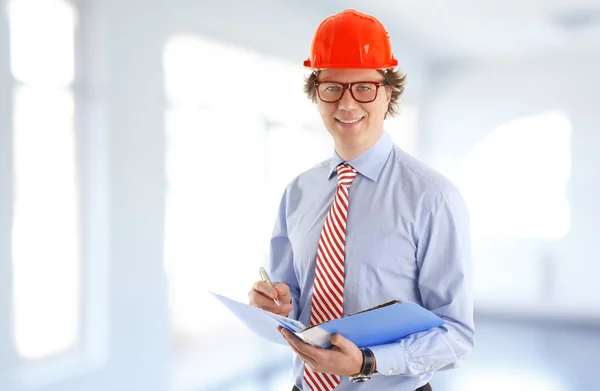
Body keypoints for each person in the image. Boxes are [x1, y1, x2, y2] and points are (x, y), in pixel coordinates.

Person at [248, 8, 474, 391]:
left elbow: (456, 335)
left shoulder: (433, 198)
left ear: (389, 93)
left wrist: (368, 362)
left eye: (364, 87)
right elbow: (290, 298)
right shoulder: (298, 192)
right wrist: (275, 305)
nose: (347, 104)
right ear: (316, 94)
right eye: (332, 87)